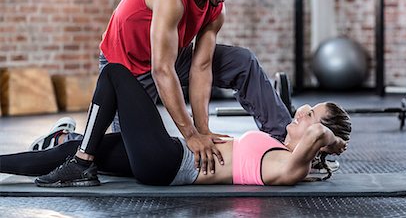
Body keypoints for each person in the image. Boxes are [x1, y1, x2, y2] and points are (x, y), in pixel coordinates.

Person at [62, 0, 293, 174]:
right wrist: (190, 135)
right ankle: (63, 140)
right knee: (130, 154)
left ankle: (286, 139)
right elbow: (161, 70)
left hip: (170, 56)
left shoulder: (216, 9)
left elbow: (201, 67)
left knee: (243, 62)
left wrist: (203, 132)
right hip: (127, 67)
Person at [0, 63, 351, 187]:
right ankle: (80, 159)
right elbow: (316, 131)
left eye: (310, 113)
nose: (302, 112)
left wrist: (330, 139)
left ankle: (82, 163)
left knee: (115, 73)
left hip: (168, 162)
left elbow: (320, 132)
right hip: (168, 156)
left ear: (321, 140)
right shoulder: (287, 154)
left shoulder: (289, 168)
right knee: (76, 149)